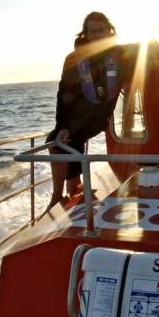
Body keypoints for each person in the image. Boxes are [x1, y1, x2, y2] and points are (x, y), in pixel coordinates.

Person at [47, 11, 126, 209]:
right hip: (75, 116)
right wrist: (62, 125)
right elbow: (64, 93)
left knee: (63, 140)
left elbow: (146, 54)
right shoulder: (73, 59)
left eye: (101, 30)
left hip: (98, 116)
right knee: (59, 139)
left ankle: (58, 197)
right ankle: (73, 190)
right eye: (93, 31)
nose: (97, 35)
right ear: (86, 34)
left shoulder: (123, 55)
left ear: (109, 31)